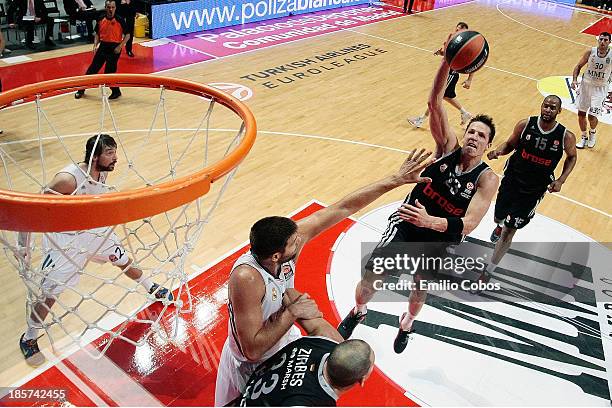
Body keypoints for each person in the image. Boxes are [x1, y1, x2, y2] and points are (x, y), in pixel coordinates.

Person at [214, 148, 434, 406]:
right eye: (294, 243)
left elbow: (341, 207)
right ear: (275, 256)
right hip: (250, 366)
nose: (301, 239)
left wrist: (394, 180)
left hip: (284, 344)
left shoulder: (286, 243)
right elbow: (252, 350)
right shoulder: (247, 278)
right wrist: (292, 312)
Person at [339, 50, 499, 353]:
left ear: (488, 144)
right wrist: (448, 61)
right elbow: (434, 102)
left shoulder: (487, 179)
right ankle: (359, 310)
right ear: (464, 135)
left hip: (438, 237)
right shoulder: (447, 148)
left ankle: (407, 324)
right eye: (471, 131)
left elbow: (470, 224)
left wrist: (431, 221)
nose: (474, 137)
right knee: (371, 277)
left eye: (481, 135)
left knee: (419, 290)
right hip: (408, 222)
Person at [17, 134, 173, 367]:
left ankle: (150, 287)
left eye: (114, 151)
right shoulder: (67, 180)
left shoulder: (103, 171)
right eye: (110, 152)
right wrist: (24, 246)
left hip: (94, 231)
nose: (116, 158)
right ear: (94, 156)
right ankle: (29, 337)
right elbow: (31, 211)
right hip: (66, 241)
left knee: (123, 260)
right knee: (50, 294)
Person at [486, 96, 577, 276]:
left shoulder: (566, 136)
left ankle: (489, 271)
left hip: (534, 189)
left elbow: (572, 156)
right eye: (546, 106)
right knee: (499, 218)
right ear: (541, 107)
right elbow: (510, 144)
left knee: (510, 230)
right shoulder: (525, 124)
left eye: (553, 108)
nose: (548, 110)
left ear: (559, 111)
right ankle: (499, 224)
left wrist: (561, 180)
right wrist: (498, 151)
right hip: (512, 178)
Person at [237, 289, 375, 407]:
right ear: (362, 380)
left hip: (248, 390)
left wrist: (311, 312)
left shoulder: (327, 338)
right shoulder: (310, 402)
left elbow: (289, 293)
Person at [408, 22, 474, 129]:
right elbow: (447, 54)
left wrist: (469, 79)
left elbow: (472, 61)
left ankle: (421, 120)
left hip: (451, 73)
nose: (457, 32)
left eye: (460, 31)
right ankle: (464, 113)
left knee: (436, 97)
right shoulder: (451, 37)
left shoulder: (466, 45)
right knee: (446, 96)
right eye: (456, 29)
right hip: (444, 71)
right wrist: (441, 53)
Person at [74, 0, 129, 100]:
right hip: (103, 46)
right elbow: (97, 34)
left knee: (109, 73)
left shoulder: (120, 20)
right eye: (108, 7)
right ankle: (81, 90)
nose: (111, 9)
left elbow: (128, 35)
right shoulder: (100, 18)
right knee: (92, 70)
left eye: (112, 7)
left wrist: (120, 46)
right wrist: (95, 44)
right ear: (105, 7)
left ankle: (116, 92)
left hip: (115, 48)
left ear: (115, 8)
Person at [571, 31, 612, 149]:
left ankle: (592, 133)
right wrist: (574, 80)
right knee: (581, 113)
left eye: (605, 40)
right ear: (598, 40)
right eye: (601, 39)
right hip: (586, 85)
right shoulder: (591, 52)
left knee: (592, 116)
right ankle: (583, 136)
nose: (602, 42)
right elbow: (578, 66)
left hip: (600, 88)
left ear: (610, 42)